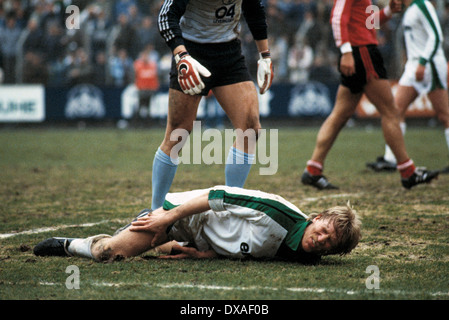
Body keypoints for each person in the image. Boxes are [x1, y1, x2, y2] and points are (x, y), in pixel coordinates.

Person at [300, 0, 439, 190]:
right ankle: (408, 172)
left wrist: (388, 11)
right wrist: (346, 51)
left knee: (340, 114)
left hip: (357, 51)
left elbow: (367, 22)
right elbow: (337, 17)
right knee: (391, 111)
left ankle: (313, 169)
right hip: (362, 52)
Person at [150, 0, 274, 210]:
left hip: (229, 52)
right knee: (177, 134)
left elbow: (253, 9)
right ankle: (155, 211)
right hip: (191, 52)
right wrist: (181, 55)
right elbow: (165, 17)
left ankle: (229, 210)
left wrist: (265, 56)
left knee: (250, 129)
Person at [33, 186, 362, 264]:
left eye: (330, 243)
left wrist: (205, 254)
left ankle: (167, 245)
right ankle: (66, 244)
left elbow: (246, 247)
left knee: (124, 254)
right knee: (107, 253)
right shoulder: (277, 212)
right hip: (184, 215)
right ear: (316, 217)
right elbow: (217, 193)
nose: (322, 240)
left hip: (202, 240)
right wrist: (167, 216)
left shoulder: (303, 255)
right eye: (324, 230)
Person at [367, 0, 449, 174]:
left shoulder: (422, 5)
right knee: (395, 110)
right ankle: (391, 159)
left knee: (444, 114)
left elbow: (436, 36)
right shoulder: (409, 9)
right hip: (413, 67)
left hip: (429, 64)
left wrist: (423, 62)